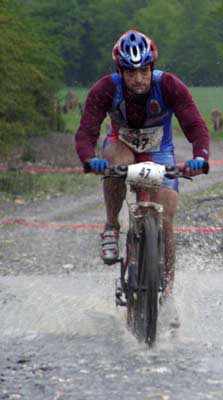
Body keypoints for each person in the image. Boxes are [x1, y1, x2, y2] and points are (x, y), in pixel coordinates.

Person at [74, 30, 211, 324]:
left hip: (159, 150)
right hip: (121, 144)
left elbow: (195, 124)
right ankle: (111, 226)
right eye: (131, 72)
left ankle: (169, 294)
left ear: (152, 67)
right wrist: (90, 160)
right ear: (120, 71)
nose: (139, 79)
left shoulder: (170, 85)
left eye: (144, 70)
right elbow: (86, 132)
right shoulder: (105, 89)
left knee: (166, 218)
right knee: (115, 162)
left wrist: (201, 157)